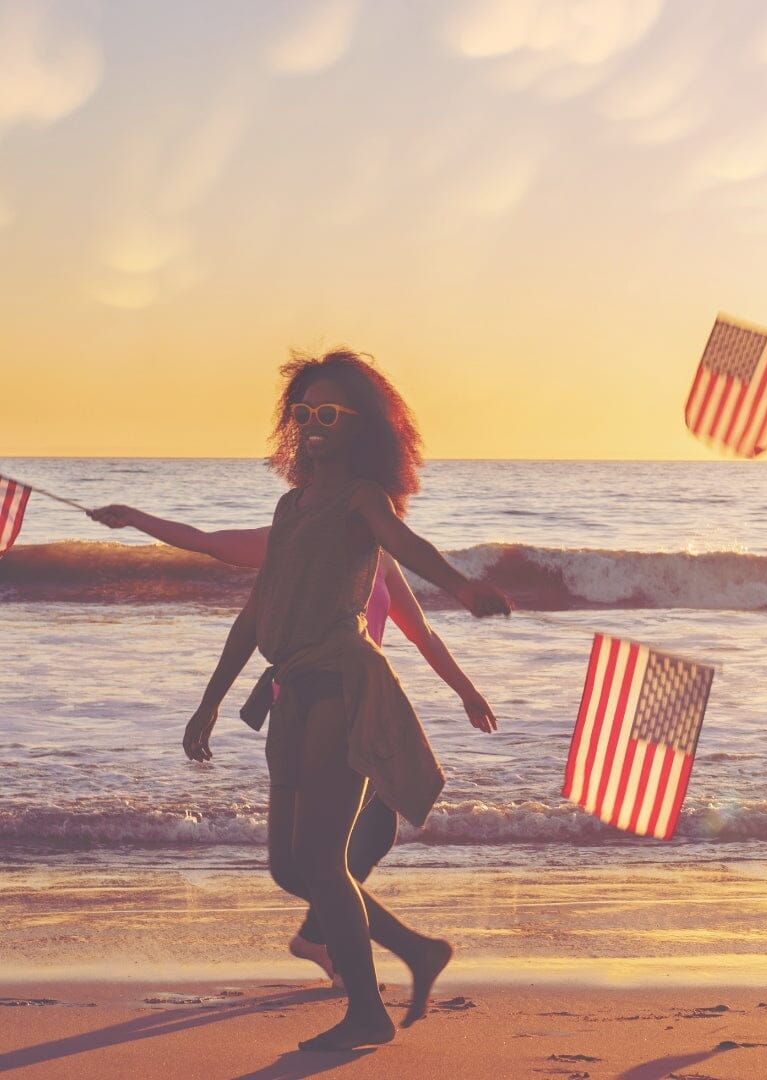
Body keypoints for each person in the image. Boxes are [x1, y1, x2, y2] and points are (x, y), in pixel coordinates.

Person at [141, 349, 510, 1051]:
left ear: (360, 427)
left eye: (330, 413)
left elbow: (406, 542)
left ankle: (367, 1012)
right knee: (289, 866)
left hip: (342, 683)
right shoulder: (289, 508)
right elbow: (255, 614)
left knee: (321, 857)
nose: (314, 423)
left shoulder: (362, 499)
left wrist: (462, 587)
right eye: (304, 411)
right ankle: (418, 951)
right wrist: (209, 700)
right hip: (289, 690)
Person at [88, 506, 495, 1003]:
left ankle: (328, 941)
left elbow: (422, 633)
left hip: (362, 705)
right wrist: (132, 517)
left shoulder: (377, 555)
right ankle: (365, 950)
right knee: (305, 861)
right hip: (307, 711)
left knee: (368, 838)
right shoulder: (287, 539)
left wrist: (467, 691)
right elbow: (210, 544)